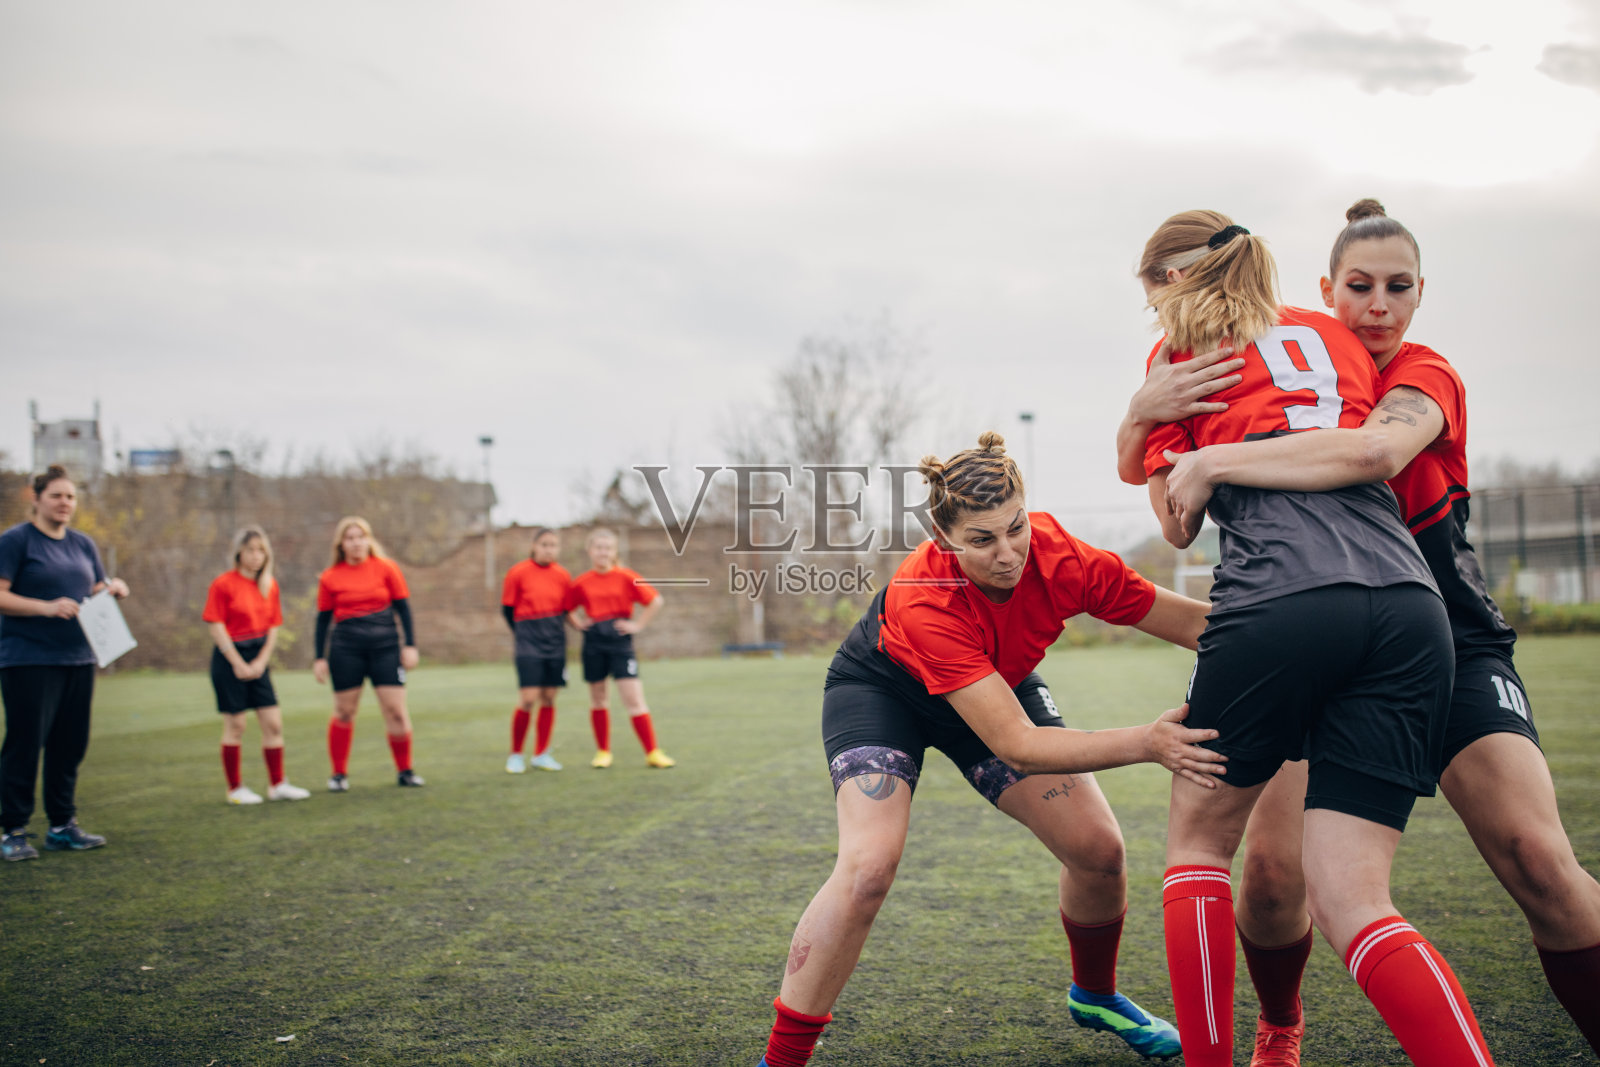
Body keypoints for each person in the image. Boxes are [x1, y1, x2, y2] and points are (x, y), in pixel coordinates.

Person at [1133, 199, 1600, 1060]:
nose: (1378, 305)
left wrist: (1204, 454)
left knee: (1539, 861)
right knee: (1276, 878)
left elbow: (1369, 454)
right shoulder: (1308, 353)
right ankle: (1280, 1028)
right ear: (1326, 290)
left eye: (1398, 287)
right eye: (1360, 287)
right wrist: (1144, 414)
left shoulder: (1419, 374)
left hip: (1443, 633)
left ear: (1422, 293)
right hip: (1368, 620)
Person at [757, 432, 1229, 1067]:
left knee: (1098, 852)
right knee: (868, 869)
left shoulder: (1061, 556)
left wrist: (1302, 648)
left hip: (993, 684)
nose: (1008, 555)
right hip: (884, 692)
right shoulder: (925, 596)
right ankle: (781, 1060)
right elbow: (1019, 747)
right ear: (942, 536)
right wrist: (1149, 741)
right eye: (981, 540)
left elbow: (1196, 626)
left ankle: (1095, 996)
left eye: (1015, 528)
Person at [0, 466, 129, 861]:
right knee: (25, 744)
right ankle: (13, 831)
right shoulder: (16, 541)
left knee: (69, 745)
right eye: (56, 495)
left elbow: (94, 590)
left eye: (70, 496)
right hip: (29, 659)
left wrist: (113, 589)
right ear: (36, 498)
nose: (64, 503)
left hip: (79, 658)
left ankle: (62, 826)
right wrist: (45, 607)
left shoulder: (83, 544)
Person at [313, 516, 424, 790]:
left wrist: (410, 645)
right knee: (344, 711)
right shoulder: (330, 577)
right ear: (341, 544)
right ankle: (338, 775)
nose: (356, 543)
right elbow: (323, 620)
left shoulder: (387, 568)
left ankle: (405, 771)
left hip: (386, 649)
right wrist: (319, 657)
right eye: (350, 538)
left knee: (396, 711)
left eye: (361, 537)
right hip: (346, 651)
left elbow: (404, 609)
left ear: (369, 540)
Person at [202, 526, 310, 805]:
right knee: (236, 725)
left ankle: (277, 784)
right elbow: (216, 625)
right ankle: (235, 789)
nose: (256, 555)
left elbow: (273, 626)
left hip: (258, 657)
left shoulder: (269, 585)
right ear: (239, 552)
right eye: (250, 549)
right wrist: (237, 663)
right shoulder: (223, 584)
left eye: (261, 550)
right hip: (230, 658)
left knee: (273, 724)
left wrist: (261, 661)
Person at [567, 528, 673, 770]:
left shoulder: (626, 576)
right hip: (594, 642)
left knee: (634, 699)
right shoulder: (582, 582)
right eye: (598, 548)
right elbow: (567, 608)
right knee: (598, 699)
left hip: (620, 643)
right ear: (590, 551)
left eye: (607, 548)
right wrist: (578, 624)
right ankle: (603, 752)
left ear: (614, 551)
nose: (603, 552)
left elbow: (655, 600)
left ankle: (652, 752)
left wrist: (638, 625)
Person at [501, 527, 571, 773]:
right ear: (534, 546)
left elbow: (567, 611)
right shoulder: (517, 572)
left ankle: (541, 754)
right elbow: (507, 610)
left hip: (556, 644)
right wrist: (524, 633)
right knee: (528, 699)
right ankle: (516, 755)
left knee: (549, 697)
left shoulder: (563, 575)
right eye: (544, 544)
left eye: (553, 545)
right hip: (528, 644)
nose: (549, 549)